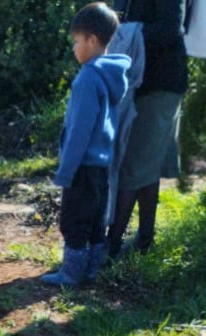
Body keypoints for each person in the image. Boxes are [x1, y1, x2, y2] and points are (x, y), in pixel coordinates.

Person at [41, 4, 130, 288]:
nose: (74, 49)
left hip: (82, 165)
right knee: (94, 223)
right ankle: (90, 273)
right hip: (101, 165)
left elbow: (81, 129)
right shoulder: (110, 75)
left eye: (76, 42)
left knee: (73, 222)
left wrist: (66, 171)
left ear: (92, 40)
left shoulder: (88, 78)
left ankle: (70, 275)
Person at [106, 0, 188, 257]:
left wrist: (122, 34)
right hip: (136, 83)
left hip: (160, 84)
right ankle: (144, 240)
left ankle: (110, 248)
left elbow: (170, 29)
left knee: (134, 165)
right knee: (145, 166)